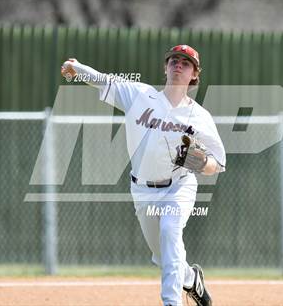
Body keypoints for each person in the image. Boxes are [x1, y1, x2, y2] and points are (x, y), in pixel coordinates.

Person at [61, 44, 226, 306]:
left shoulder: (200, 116)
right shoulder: (139, 95)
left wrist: (203, 161)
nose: (178, 65)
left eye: (186, 63)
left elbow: (219, 163)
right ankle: (192, 280)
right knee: (164, 257)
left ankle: (171, 303)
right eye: (174, 60)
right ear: (165, 67)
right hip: (142, 190)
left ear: (195, 74)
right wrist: (77, 68)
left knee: (171, 233)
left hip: (178, 187)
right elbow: (103, 80)